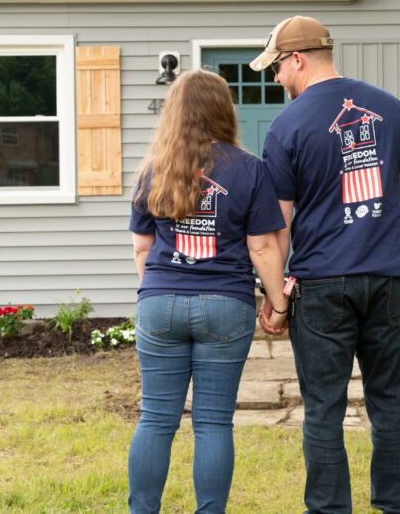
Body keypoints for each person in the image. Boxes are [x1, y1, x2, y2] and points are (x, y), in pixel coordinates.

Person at [253, 16, 400, 513]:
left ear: (298, 59)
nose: (276, 79)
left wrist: (278, 297)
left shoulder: (287, 126)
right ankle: (396, 507)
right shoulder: (390, 107)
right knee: (389, 402)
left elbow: (278, 224)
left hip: (322, 284)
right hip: (387, 278)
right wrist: (390, 248)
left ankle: (329, 510)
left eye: (277, 68)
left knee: (324, 409)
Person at [127, 70, 290, 514]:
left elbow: (142, 248)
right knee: (214, 423)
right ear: (224, 110)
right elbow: (261, 246)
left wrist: (159, 294)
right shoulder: (250, 168)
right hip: (225, 305)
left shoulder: (154, 169)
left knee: (157, 419)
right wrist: (279, 303)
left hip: (159, 301)